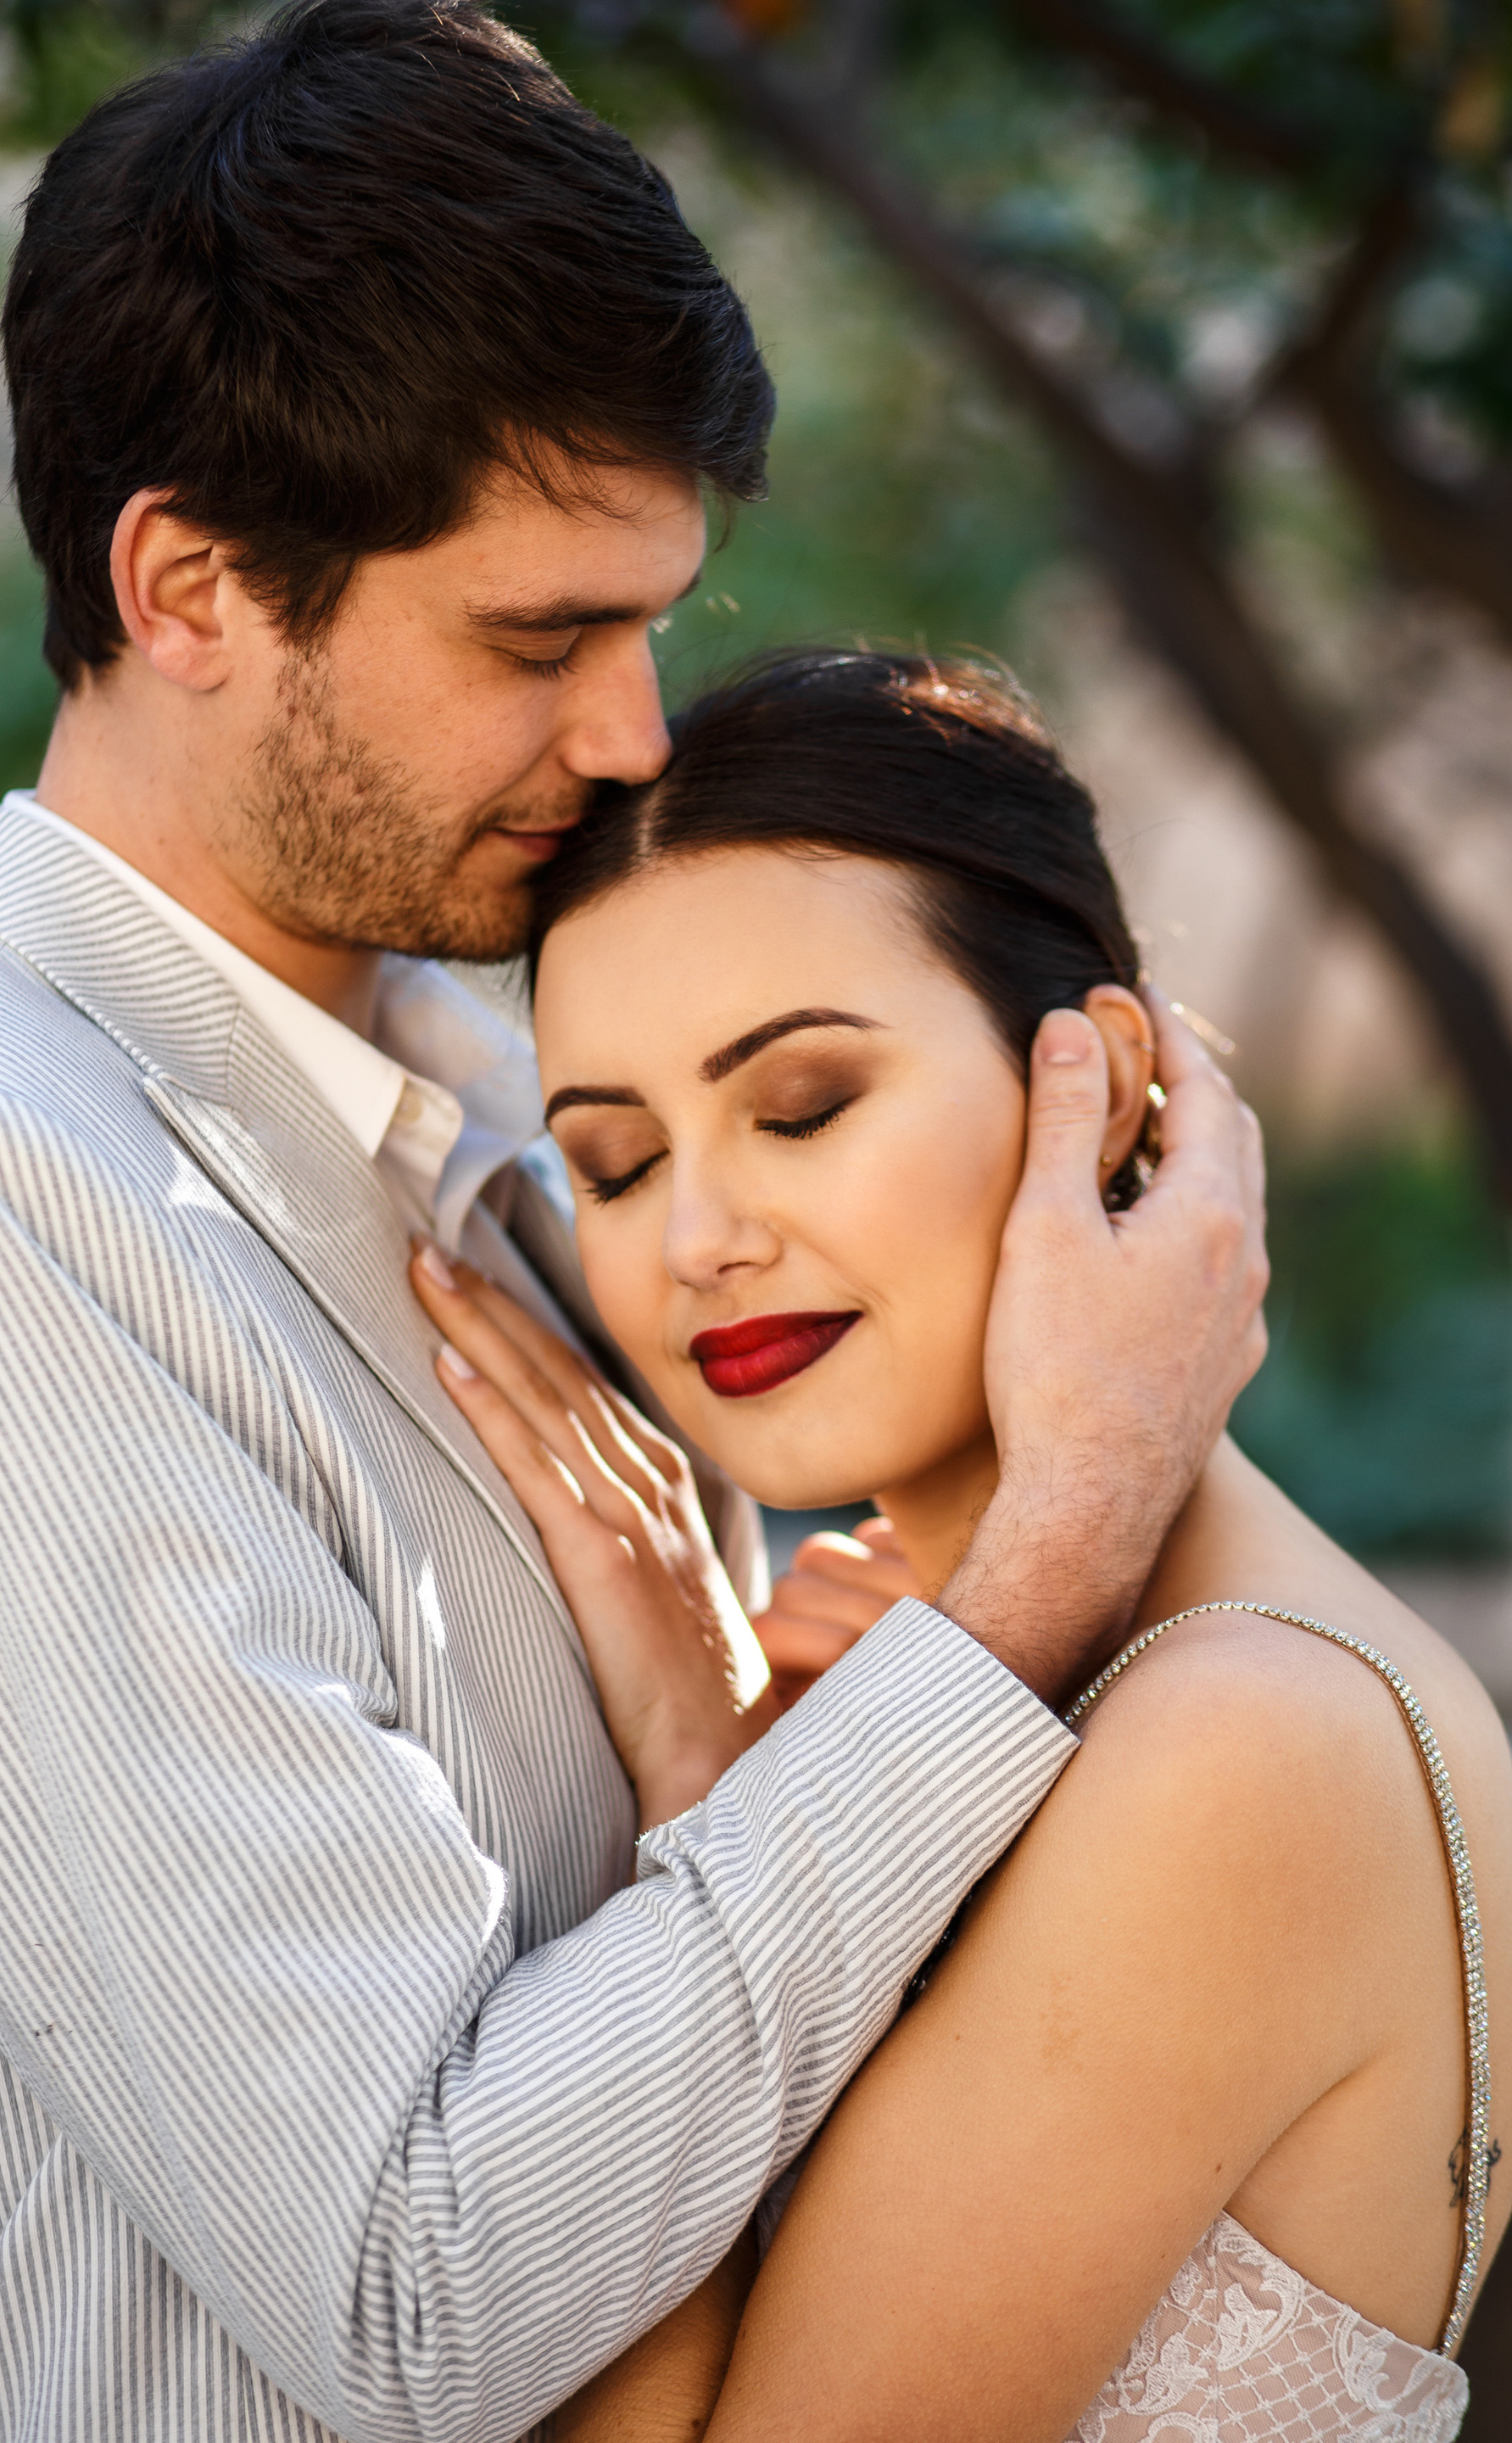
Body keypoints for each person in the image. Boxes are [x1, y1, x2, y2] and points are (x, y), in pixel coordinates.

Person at [0, 8, 1269, 2440]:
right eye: (536, 641)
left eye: (650, 626)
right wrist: (1045, 1564)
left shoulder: (526, 1105)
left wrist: (766, 1751)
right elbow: (422, 2297)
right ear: (188, 587)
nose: (634, 734)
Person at [407, 649, 1512, 2441]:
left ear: (1105, 1082)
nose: (698, 1238)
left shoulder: (1242, 1746)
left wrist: (701, 1781)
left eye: (802, 1106)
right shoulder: (1000, 1688)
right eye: (613, 1162)